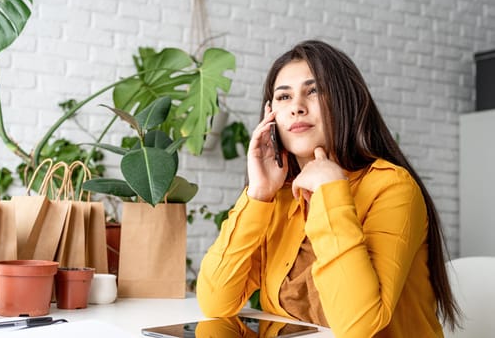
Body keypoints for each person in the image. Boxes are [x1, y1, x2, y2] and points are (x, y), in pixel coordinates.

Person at [196, 39, 460, 337]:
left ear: (346, 100)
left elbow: (357, 326)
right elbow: (215, 301)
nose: (296, 107)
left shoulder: (392, 187)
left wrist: (331, 192)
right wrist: (257, 196)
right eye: (283, 97)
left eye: (314, 90)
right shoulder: (278, 196)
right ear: (271, 115)